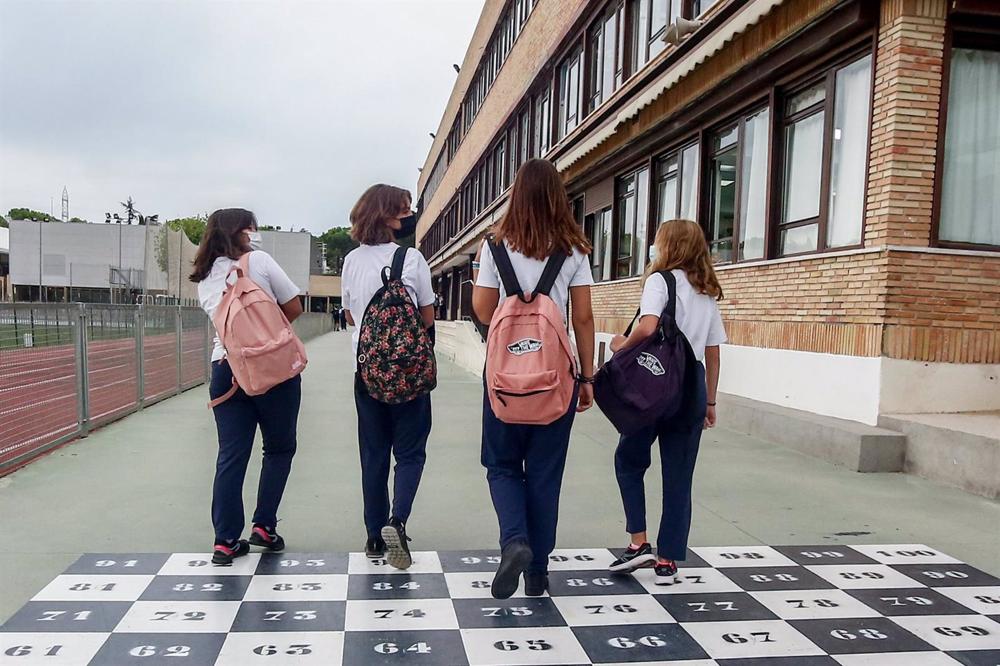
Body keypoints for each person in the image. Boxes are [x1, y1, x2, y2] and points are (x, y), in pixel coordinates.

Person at [472, 158, 595, 599]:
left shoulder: (495, 247)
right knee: (545, 474)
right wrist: (587, 377)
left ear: (516, 194)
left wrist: (515, 302)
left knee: (502, 466)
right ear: (557, 196)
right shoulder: (574, 249)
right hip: (555, 380)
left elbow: (483, 310)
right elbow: (582, 317)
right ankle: (538, 572)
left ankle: (514, 541)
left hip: (504, 379)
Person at [606, 219, 726, 584]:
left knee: (629, 459)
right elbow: (713, 351)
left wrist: (619, 345)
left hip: (655, 385)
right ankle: (668, 560)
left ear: (669, 247)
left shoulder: (661, 281)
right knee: (679, 475)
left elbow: (647, 326)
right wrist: (710, 402)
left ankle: (638, 543)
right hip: (692, 389)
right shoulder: (707, 291)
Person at [190, 208, 304, 565]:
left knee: (231, 453)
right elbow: (294, 306)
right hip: (272, 367)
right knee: (279, 448)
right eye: (251, 226)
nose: (255, 232)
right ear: (239, 231)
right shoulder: (261, 261)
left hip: (226, 368)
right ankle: (263, 526)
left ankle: (224, 540)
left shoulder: (205, 276)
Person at [341, 184, 435, 569]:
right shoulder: (411, 258)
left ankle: (373, 535)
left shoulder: (350, 261)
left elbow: (350, 316)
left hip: (367, 373)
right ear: (387, 214)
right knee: (410, 453)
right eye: (404, 209)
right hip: (409, 374)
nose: (409, 214)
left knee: (373, 455)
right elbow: (427, 316)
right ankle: (398, 520)